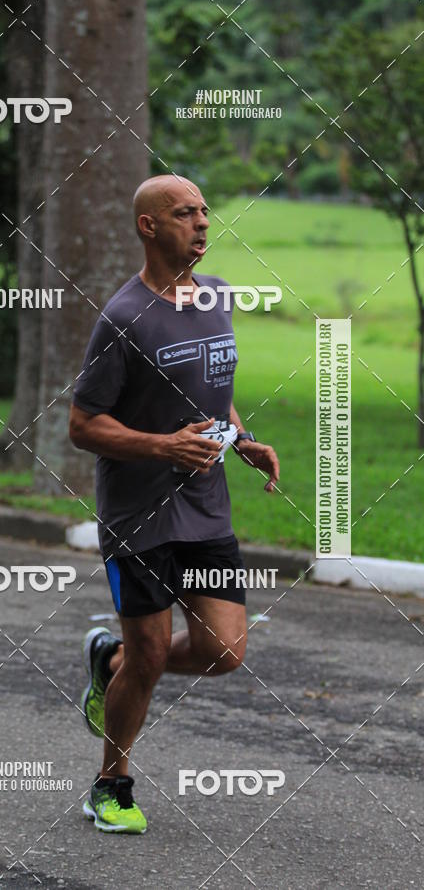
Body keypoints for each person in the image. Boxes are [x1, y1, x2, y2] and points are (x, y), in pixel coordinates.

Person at [69, 175, 279, 834]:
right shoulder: (123, 317)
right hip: (138, 517)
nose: (203, 223)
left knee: (224, 650)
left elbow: (212, 387)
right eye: (185, 213)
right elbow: (82, 424)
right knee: (153, 653)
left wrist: (239, 438)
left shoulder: (216, 296)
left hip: (206, 506)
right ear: (149, 227)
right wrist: (163, 447)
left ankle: (109, 660)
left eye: (205, 212)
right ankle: (111, 786)